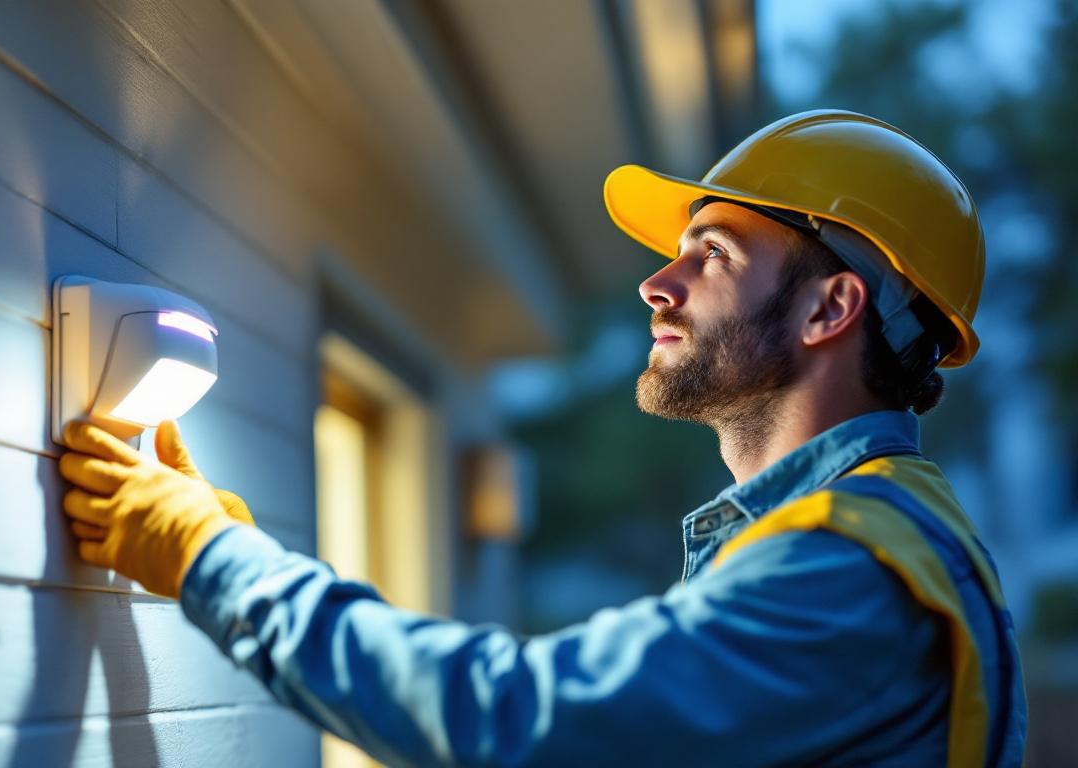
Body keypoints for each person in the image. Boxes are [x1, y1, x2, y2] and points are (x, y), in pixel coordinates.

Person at [57, 111, 1026, 767]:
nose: (659, 283)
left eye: (712, 256)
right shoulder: (874, 542)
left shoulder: (849, 572)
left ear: (832, 309)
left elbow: (517, 720)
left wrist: (213, 560)